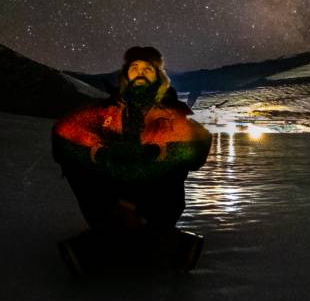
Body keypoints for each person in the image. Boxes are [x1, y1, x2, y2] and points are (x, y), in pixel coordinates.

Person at [52, 46, 212, 242]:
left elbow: (199, 141)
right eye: (135, 68)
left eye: (148, 69)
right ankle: (107, 225)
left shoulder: (172, 112)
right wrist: (98, 151)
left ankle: (156, 229)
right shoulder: (105, 111)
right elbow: (65, 132)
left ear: (158, 77)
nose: (140, 74)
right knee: (73, 156)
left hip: (157, 203)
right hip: (110, 200)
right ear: (126, 75)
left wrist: (161, 152)